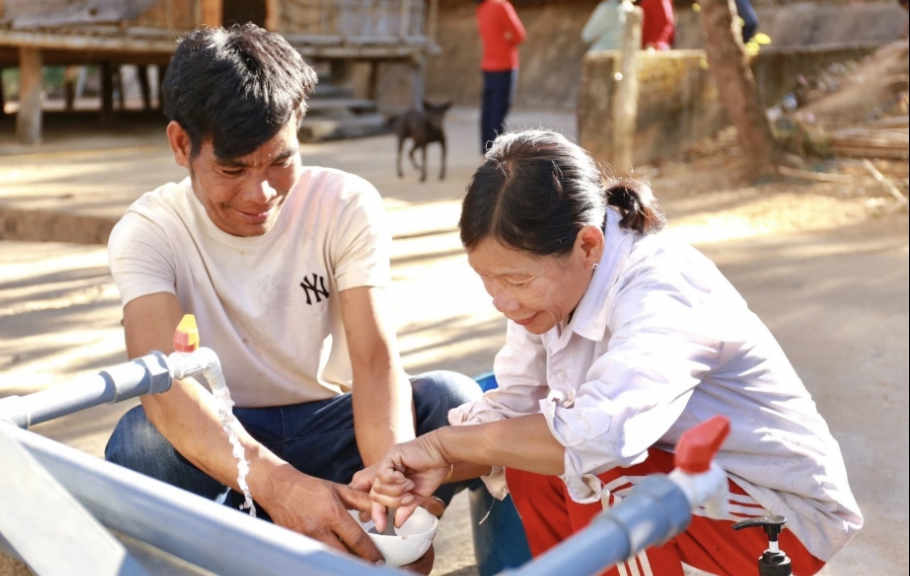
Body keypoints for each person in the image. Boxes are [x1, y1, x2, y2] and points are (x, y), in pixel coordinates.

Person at [358, 130, 863, 576]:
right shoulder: (548, 298)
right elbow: (515, 407)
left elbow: (606, 434)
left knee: (600, 469)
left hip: (778, 512)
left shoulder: (661, 288)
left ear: (588, 245)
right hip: (684, 482)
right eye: (487, 280)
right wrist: (424, 467)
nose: (502, 301)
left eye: (516, 279)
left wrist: (446, 447)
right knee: (531, 462)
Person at [103, 24, 481, 569]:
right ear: (182, 145)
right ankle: (278, 523)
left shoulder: (346, 203)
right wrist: (283, 489)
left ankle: (337, 529)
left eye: (280, 161)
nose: (260, 194)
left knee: (453, 401)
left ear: (298, 126)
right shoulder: (148, 230)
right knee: (139, 444)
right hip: (224, 435)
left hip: (331, 424)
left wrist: (391, 490)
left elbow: (375, 362)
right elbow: (163, 388)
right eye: (232, 169)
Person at [475, 0, 527, 154]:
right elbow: (519, 35)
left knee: (487, 110)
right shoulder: (502, 6)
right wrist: (507, 36)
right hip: (504, 65)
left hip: (487, 64)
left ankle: (486, 150)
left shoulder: (481, 8)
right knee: (498, 112)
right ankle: (495, 152)